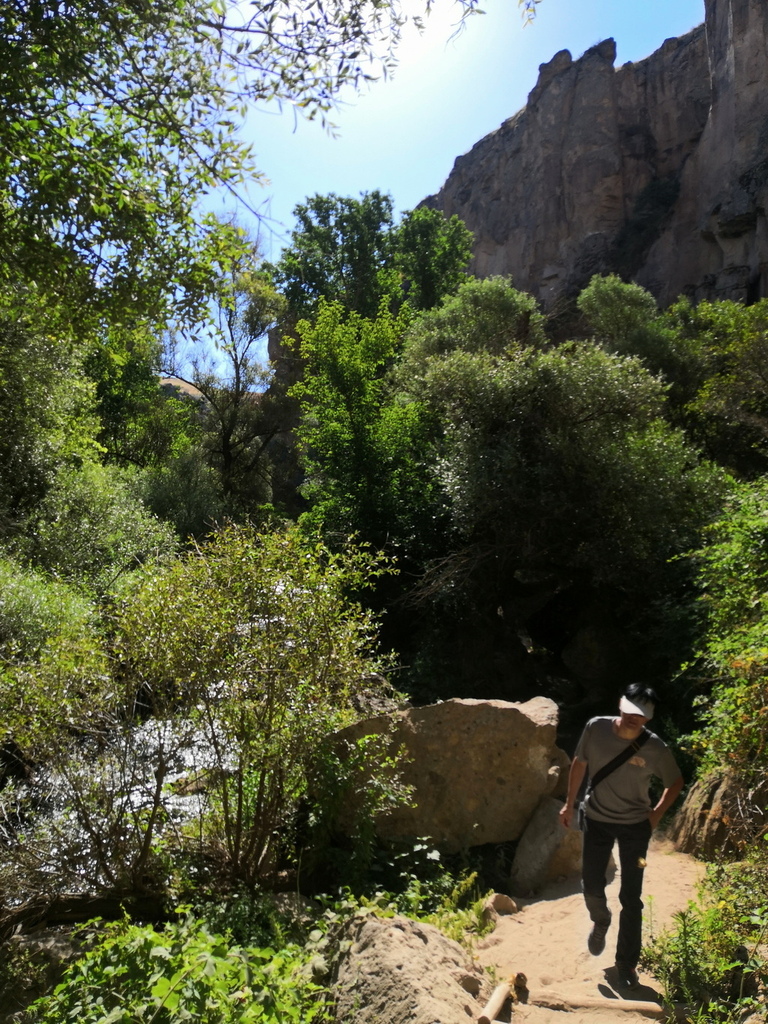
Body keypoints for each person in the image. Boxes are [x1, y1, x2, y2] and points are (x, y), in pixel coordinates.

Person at [558, 683, 684, 990]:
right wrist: (569, 804)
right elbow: (580, 763)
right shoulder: (595, 728)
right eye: (630, 710)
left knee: (631, 896)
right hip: (597, 819)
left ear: (648, 718)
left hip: (635, 830)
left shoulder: (655, 748)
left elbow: (675, 782)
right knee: (591, 885)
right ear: (620, 704)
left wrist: (654, 816)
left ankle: (626, 964)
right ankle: (600, 919)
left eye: (641, 715)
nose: (634, 718)